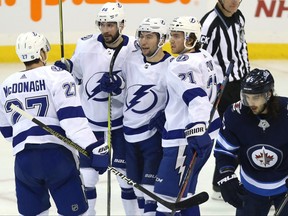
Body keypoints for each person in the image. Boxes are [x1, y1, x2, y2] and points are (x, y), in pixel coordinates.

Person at [0, 31, 108, 216]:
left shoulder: (6, 84)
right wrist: (93, 148)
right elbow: (73, 121)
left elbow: (7, 131)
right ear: (42, 53)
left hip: (24, 162)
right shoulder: (58, 75)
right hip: (57, 157)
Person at [54, 2, 140, 215]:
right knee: (87, 178)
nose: (105, 30)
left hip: (120, 125)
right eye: (102, 24)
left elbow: (140, 83)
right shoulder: (85, 45)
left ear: (122, 24)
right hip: (90, 125)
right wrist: (65, 69)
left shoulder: (134, 49)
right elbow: (76, 74)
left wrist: (120, 86)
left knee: (125, 178)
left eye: (110, 25)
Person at [99, 17, 171, 215]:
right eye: (141, 36)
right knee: (135, 191)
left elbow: (178, 100)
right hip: (129, 136)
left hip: (152, 139)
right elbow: (127, 94)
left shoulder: (171, 66)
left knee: (149, 194)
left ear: (162, 39)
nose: (144, 41)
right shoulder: (132, 60)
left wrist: (167, 114)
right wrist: (116, 85)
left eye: (149, 37)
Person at [153, 16, 221, 216]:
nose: (171, 40)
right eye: (171, 35)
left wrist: (197, 127)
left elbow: (197, 97)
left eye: (176, 36)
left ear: (190, 38)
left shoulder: (180, 65)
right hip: (207, 133)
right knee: (186, 196)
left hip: (185, 139)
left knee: (165, 201)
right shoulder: (204, 56)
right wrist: (168, 113)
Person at [214, 68, 288, 216]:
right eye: (246, 97)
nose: (250, 102)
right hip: (251, 189)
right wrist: (225, 175)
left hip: (284, 187)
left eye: (255, 97)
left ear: (268, 94)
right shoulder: (235, 114)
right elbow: (225, 151)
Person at [200, 0, 250, 198]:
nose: (234, 2)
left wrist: (247, 75)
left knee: (245, 133)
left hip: (241, 83)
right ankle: (222, 182)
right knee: (230, 134)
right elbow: (201, 57)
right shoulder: (209, 23)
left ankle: (225, 182)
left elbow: (242, 48)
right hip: (221, 89)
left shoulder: (239, 17)